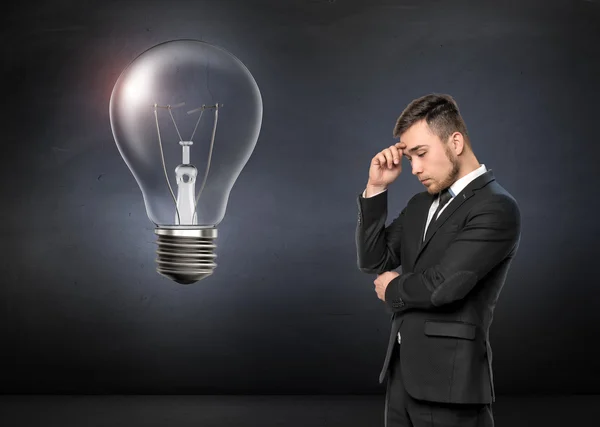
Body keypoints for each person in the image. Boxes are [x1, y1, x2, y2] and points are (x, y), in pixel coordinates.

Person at [355, 93, 521, 427]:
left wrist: (391, 289)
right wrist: (376, 188)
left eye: (421, 153)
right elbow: (374, 260)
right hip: (402, 378)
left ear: (455, 141)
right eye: (410, 156)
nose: (414, 168)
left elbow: (444, 286)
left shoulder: (496, 207)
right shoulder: (420, 204)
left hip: (451, 386)